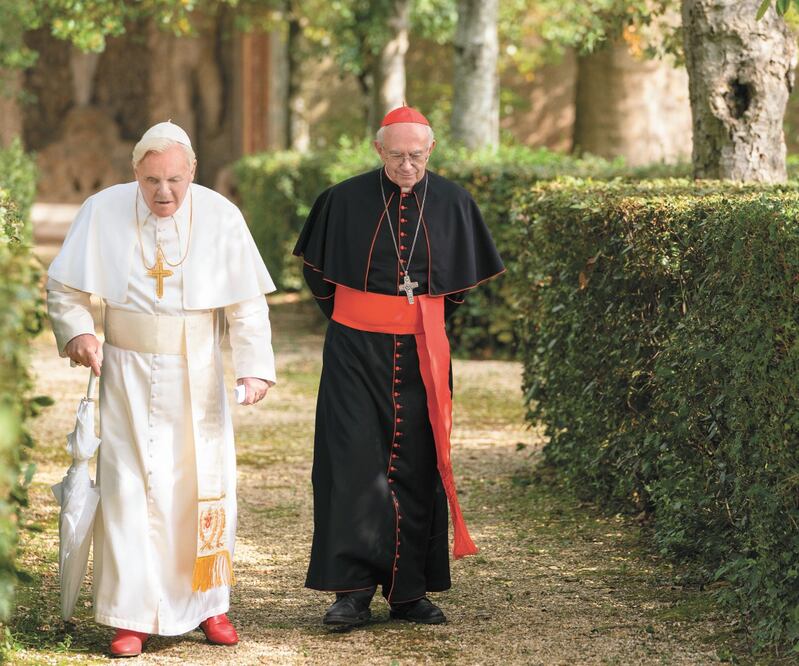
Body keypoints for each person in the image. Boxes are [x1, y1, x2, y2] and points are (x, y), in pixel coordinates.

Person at [46, 121, 276, 657]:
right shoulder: (103, 210)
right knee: (130, 491)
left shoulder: (221, 215)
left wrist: (253, 367)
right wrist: (79, 331)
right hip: (125, 372)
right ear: (135, 173)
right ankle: (131, 614)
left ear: (192, 171)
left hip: (198, 371)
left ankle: (209, 604)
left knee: (202, 487)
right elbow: (64, 288)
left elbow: (246, 305)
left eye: (174, 179)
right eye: (152, 180)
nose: (163, 192)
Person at [294, 106, 504, 626]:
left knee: (417, 464)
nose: (407, 165)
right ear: (378, 151)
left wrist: (414, 318)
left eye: (416, 155)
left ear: (429, 151)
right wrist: (365, 318)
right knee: (351, 465)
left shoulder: (454, 202)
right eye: (396, 155)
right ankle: (352, 591)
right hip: (353, 352)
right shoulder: (341, 200)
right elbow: (319, 278)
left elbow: (455, 290)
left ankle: (409, 592)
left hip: (421, 352)